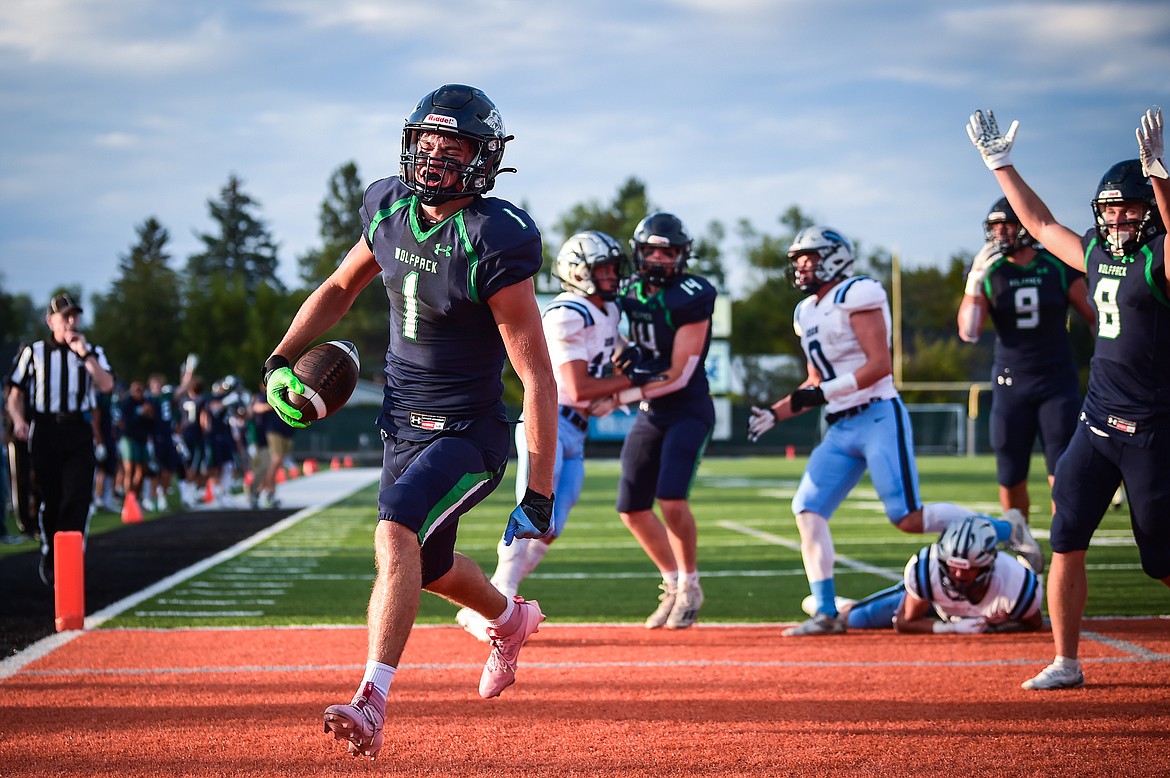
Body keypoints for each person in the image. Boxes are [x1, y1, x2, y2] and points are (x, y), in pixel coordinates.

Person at [261, 84, 558, 760]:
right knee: (429, 565)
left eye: (452, 148)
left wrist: (538, 493)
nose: (433, 158)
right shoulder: (389, 208)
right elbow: (340, 287)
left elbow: (537, 376)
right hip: (403, 426)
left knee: (395, 527)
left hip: (467, 435)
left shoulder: (493, 238)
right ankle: (511, 621)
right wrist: (280, 357)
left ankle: (371, 700)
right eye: (426, 143)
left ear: (482, 159)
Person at [746, 226, 1042, 636]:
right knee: (808, 510)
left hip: (877, 416)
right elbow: (815, 379)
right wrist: (775, 414)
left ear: (834, 257)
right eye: (798, 259)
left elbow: (878, 365)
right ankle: (826, 612)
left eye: (809, 257)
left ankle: (1007, 528)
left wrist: (823, 393)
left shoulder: (858, 292)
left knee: (906, 518)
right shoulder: (806, 311)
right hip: (840, 425)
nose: (801, 266)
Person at [966, 106, 1170, 690]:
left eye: (1127, 207)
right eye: (1108, 208)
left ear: (1150, 210)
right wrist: (1001, 165)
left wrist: (1158, 174)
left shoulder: (1161, 260)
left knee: (1160, 559)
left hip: (1153, 429)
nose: (1116, 218)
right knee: (1065, 536)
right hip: (1097, 422)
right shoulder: (1097, 253)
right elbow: (1039, 222)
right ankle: (1066, 660)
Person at [456, 230, 640, 640]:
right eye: (603, 268)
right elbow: (576, 388)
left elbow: (613, 351)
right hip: (551, 422)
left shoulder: (604, 311)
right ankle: (496, 608)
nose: (612, 276)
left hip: (576, 431)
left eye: (613, 268)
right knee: (533, 518)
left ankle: (491, 604)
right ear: (578, 273)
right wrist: (631, 381)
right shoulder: (567, 313)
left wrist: (628, 361)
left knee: (551, 527)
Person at [595, 212, 716, 630]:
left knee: (671, 497)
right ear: (639, 253)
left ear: (683, 255)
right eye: (653, 251)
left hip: (688, 407)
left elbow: (680, 373)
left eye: (670, 251)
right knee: (631, 507)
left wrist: (619, 395)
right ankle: (672, 580)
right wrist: (624, 350)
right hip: (651, 410)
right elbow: (609, 336)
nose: (662, 259)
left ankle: (692, 584)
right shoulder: (625, 291)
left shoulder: (693, 294)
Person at [957, 198, 1095, 520]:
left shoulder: (1057, 265)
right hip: (1011, 382)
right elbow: (969, 331)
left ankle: (1064, 542)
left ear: (1024, 226)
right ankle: (1020, 548)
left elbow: (1095, 317)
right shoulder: (989, 269)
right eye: (994, 226)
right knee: (1010, 472)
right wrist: (974, 281)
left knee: (1062, 470)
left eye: (1006, 224)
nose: (1000, 232)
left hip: (1056, 380)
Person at [6, 293, 114, 585]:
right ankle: (51, 549)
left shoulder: (92, 351)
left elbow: (106, 385)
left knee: (77, 498)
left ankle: (70, 558)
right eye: (65, 316)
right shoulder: (35, 352)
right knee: (51, 499)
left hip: (78, 430)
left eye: (75, 315)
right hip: (45, 430)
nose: (71, 321)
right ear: (50, 320)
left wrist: (85, 354)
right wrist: (18, 420)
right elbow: (14, 393)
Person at [818, 515, 1043, 634]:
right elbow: (905, 623)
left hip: (946, 606)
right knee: (857, 619)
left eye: (967, 568)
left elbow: (1033, 624)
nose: (957, 574)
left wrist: (996, 627)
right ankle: (842, 605)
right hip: (933, 603)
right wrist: (952, 628)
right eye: (952, 566)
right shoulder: (927, 569)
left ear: (988, 565)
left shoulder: (1017, 585)